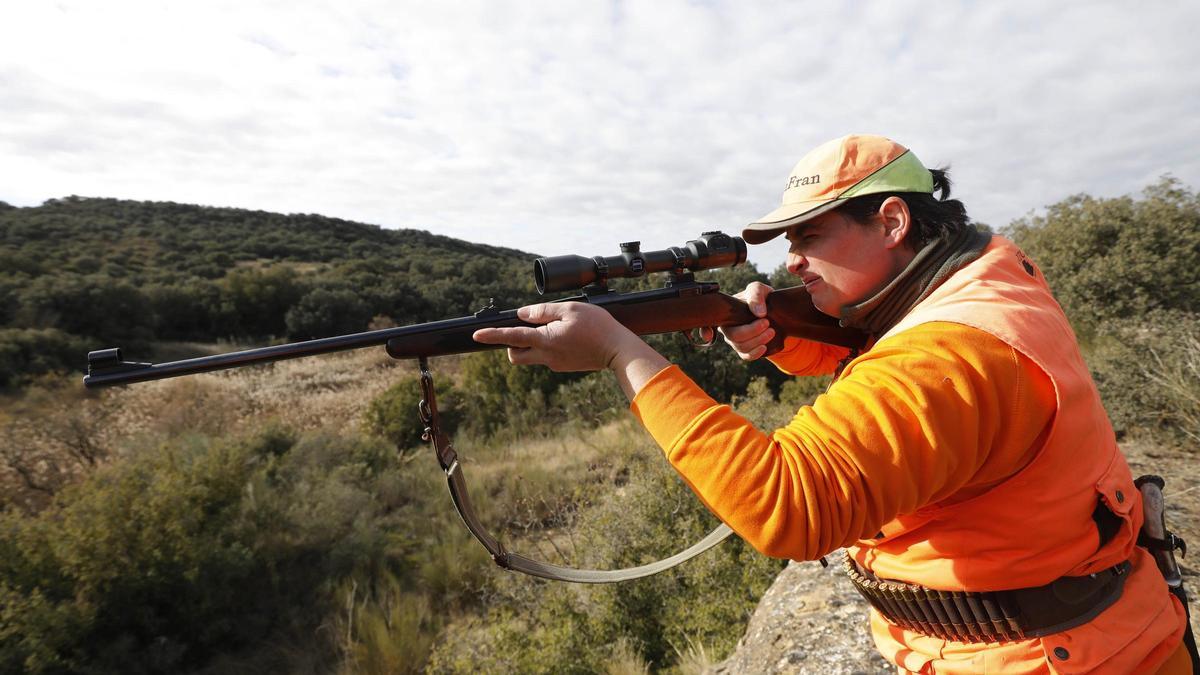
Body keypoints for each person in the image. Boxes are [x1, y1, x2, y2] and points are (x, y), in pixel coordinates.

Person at [473, 134, 1193, 673]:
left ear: (891, 222)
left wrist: (620, 351)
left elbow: (789, 504)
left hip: (1045, 657)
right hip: (1086, 628)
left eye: (810, 235)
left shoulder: (956, 353)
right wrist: (776, 336)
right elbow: (887, 359)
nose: (791, 259)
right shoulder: (988, 273)